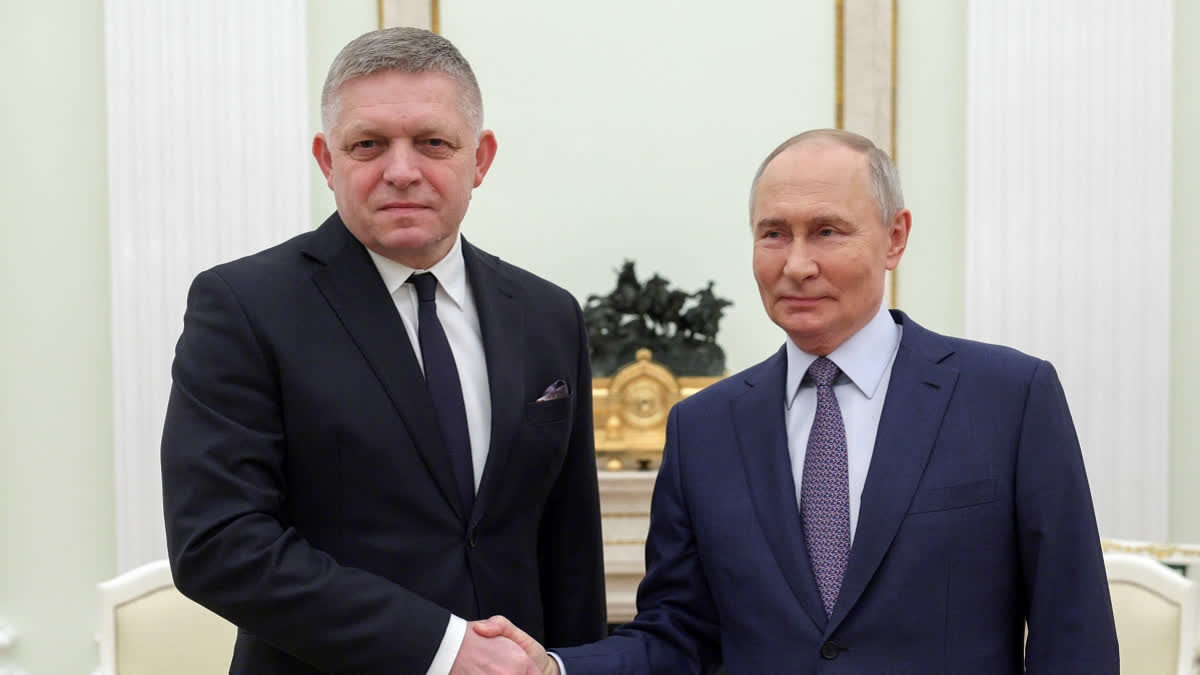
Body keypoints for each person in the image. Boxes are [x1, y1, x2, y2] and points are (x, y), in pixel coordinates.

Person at [476, 129, 1120, 673]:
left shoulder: (1009, 398)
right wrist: (552, 668)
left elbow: (1074, 631)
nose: (798, 264)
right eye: (775, 234)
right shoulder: (704, 427)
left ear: (895, 237)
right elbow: (678, 635)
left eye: (828, 232)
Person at [160, 27, 606, 675]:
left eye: (432, 142)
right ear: (326, 159)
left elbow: (570, 549)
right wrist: (440, 646)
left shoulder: (548, 315)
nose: (402, 170)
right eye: (369, 144)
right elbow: (217, 541)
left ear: (479, 158)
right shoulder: (243, 306)